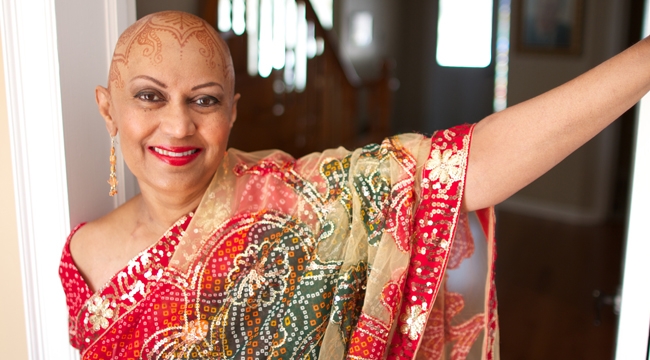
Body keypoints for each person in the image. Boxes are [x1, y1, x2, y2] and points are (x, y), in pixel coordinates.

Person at [58, 10, 650, 360]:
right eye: (149, 96)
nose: (179, 124)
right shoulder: (81, 256)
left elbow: (467, 165)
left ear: (232, 112)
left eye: (204, 100)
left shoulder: (302, 199)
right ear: (108, 110)